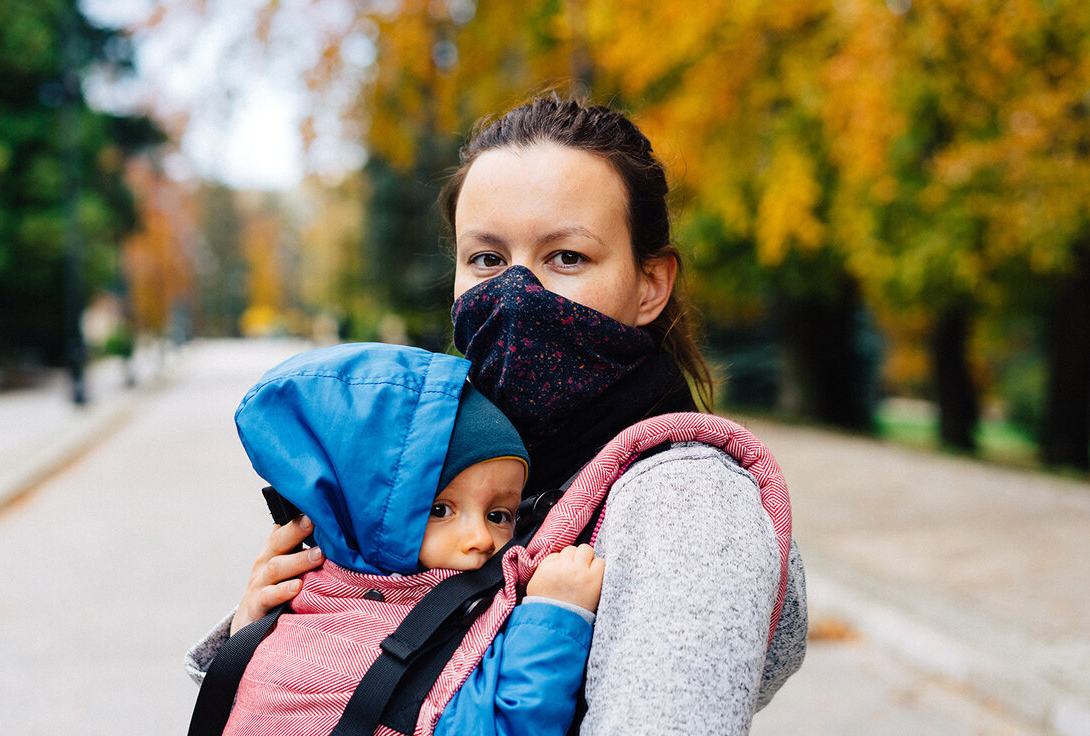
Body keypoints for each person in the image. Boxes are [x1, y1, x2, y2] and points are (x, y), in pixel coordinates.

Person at [188, 94, 808, 735]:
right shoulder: (446, 455)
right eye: (487, 259)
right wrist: (270, 636)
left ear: (650, 284)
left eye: (567, 257)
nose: (516, 293)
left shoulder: (686, 503)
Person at [210, 342, 604, 735]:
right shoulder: (320, 638)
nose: (481, 538)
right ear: (364, 514)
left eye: (498, 516)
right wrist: (554, 617)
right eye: (440, 510)